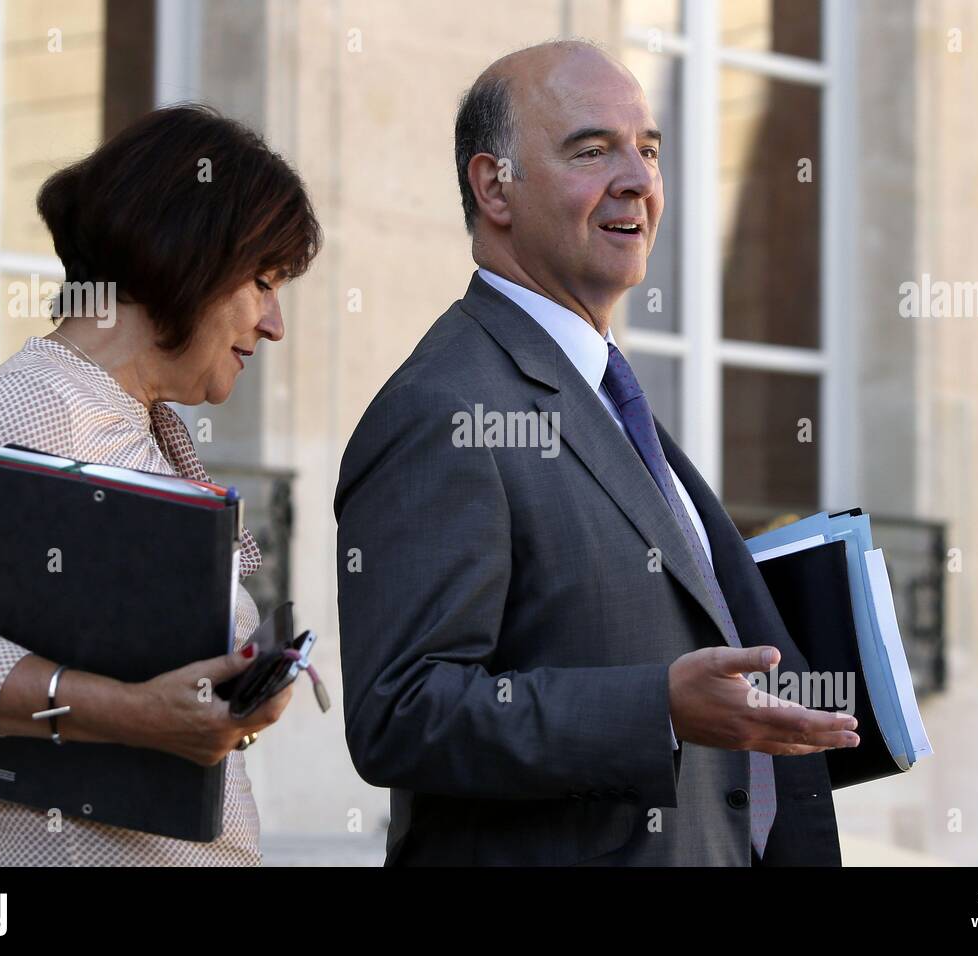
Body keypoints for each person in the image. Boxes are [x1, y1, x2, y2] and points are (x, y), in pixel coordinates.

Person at [335, 40, 858, 866]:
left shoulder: (603, 388)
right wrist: (657, 709)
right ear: (492, 186)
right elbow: (400, 714)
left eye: (647, 150)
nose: (639, 180)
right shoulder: (443, 405)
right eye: (592, 150)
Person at [0, 104, 321, 866]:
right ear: (187, 257)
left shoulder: (135, 420)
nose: (274, 324)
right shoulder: (37, 400)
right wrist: (138, 714)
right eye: (263, 281)